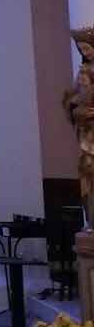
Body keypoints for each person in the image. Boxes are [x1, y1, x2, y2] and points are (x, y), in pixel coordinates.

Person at [65, 30, 94, 228]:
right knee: (88, 171)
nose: (85, 52)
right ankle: (91, 221)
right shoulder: (82, 72)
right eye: (81, 50)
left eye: (87, 48)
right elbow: (71, 100)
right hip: (86, 132)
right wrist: (77, 109)